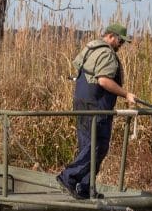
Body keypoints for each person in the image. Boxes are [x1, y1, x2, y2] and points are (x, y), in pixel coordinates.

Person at [57, 23, 137, 199]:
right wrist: (126, 94)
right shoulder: (107, 53)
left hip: (82, 102)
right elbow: (104, 81)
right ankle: (69, 177)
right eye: (120, 41)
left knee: (87, 145)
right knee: (97, 146)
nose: (121, 45)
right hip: (96, 104)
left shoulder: (91, 47)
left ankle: (86, 188)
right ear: (111, 37)